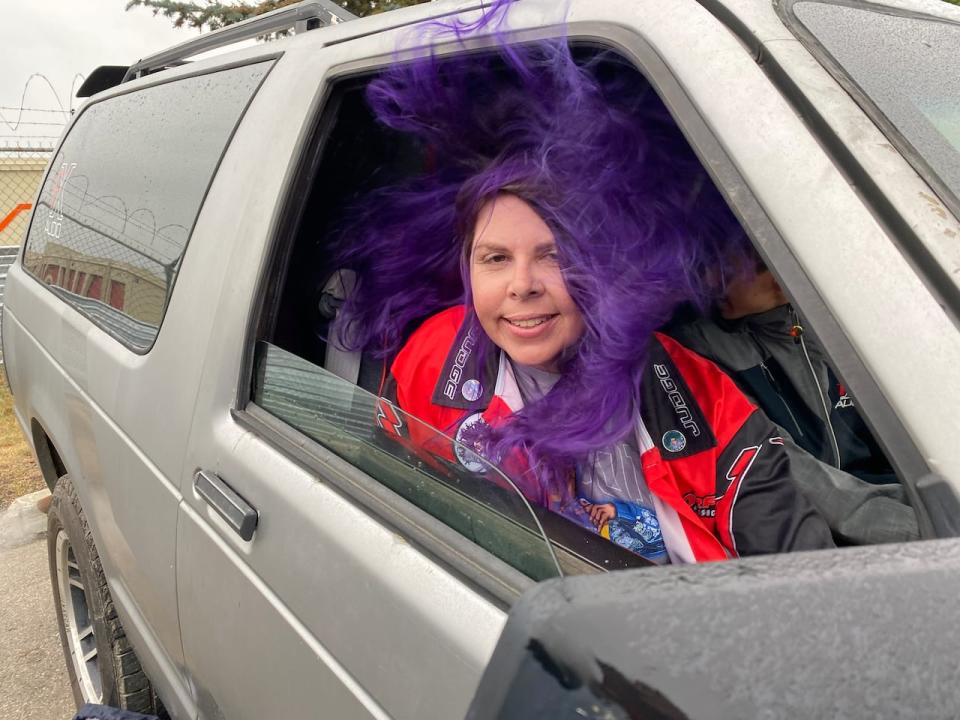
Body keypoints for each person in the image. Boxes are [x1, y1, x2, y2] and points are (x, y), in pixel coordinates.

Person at [331, 40, 835, 564]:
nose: (521, 285)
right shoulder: (432, 360)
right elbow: (388, 507)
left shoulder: (697, 395)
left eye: (553, 256)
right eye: (495, 259)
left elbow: (794, 558)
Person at [668, 260, 919, 544]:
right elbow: (783, 464)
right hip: (820, 532)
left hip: (902, 504)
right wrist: (920, 527)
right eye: (706, 265)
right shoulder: (701, 348)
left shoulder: (849, 321)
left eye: (729, 269)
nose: (712, 283)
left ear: (779, 270)